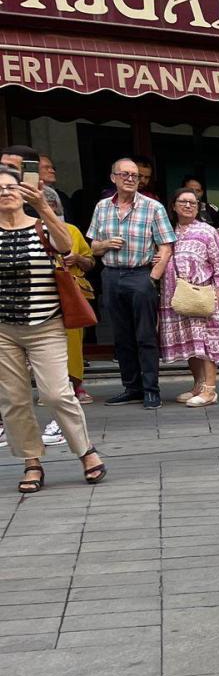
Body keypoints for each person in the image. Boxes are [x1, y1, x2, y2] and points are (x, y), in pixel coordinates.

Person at [0, 168, 106, 491]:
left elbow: (64, 246)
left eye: (11, 187)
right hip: (4, 330)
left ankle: (85, 450)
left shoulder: (43, 226)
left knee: (56, 393)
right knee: (15, 400)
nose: (5, 192)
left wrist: (44, 207)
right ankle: (31, 463)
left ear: (24, 192)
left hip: (46, 325)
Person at [88, 157, 173, 409]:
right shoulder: (102, 207)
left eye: (134, 175)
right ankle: (131, 387)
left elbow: (166, 246)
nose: (130, 179)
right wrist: (105, 244)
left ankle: (151, 389)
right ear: (113, 177)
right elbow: (92, 246)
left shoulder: (153, 207)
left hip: (140, 275)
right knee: (121, 336)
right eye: (124, 174)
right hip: (111, 275)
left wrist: (152, 277)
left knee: (146, 335)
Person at [158, 187, 219, 407]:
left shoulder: (207, 231)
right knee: (190, 342)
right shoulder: (168, 232)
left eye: (193, 202)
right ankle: (198, 385)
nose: (189, 206)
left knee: (205, 341)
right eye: (183, 202)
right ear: (173, 206)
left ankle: (210, 390)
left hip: (201, 293)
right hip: (176, 295)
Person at [42, 186, 94, 404]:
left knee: (73, 342)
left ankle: (76, 385)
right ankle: (50, 389)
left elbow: (90, 262)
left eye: (51, 205)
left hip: (71, 294)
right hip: (42, 296)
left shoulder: (71, 230)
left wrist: (77, 259)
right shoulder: (27, 230)